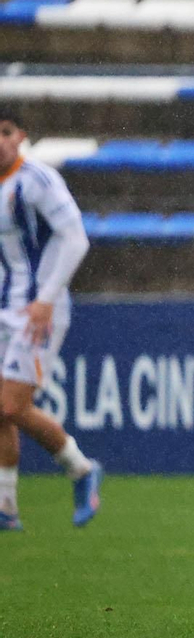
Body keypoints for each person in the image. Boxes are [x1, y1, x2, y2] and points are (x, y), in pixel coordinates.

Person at [0, 105, 99, 531]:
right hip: (6, 306)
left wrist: (46, 297)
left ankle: (80, 468)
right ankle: (6, 507)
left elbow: (76, 238)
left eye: (4, 131)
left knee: (9, 403)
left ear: (20, 136)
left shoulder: (36, 180)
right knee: (1, 411)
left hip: (40, 310)